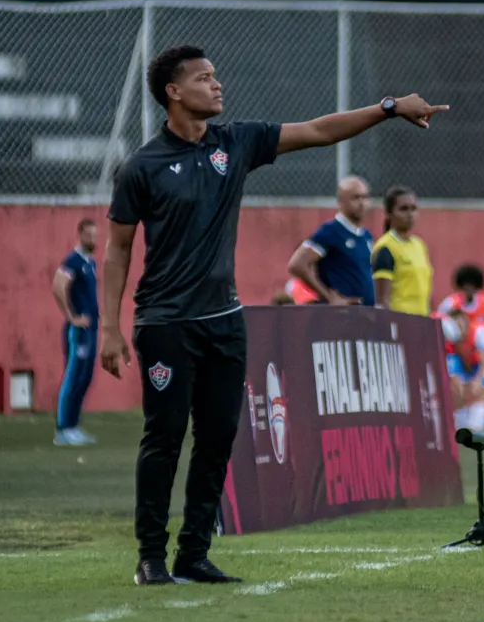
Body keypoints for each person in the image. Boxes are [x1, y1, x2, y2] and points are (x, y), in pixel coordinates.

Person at [100, 44, 447, 586]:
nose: (217, 85)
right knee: (164, 437)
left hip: (224, 320)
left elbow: (318, 130)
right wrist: (109, 328)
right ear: (173, 92)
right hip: (165, 324)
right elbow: (117, 250)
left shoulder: (236, 142)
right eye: (205, 78)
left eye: (216, 76)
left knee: (218, 438)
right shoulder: (142, 167)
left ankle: (193, 553)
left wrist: (388, 107)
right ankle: (150, 557)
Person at [286, 175, 375, 307]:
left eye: (365, 197)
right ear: (341, 201)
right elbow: (297, 264)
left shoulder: (366, 236)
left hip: (365, 314)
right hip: (342, 316)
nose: (362, 203)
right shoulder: (331, 231)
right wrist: (328, 296)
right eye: (355, 198)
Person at [51, 218, 99, 446]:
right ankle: (63, 429)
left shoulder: (91, 263)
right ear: (80, 235)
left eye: (96, 235)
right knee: (73, 376)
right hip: (78, 331)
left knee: (85, 377)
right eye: (89, 235)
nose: (93, 239)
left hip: (92, 329)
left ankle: (74, 425)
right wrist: (71, 317)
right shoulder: (73, 261)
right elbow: (58, 286)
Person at [371, 185, 434, 316]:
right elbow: (382, 301)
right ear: (389, 214)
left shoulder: (419, 245)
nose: (410, 214)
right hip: (401, 324)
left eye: (413, 208)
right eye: (403, 209)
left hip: (422, 321)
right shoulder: (386, 248)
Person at [441, 309, 484, 431]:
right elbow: (453, 369)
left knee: (477, 388)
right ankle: (460, 420)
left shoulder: (479, 332)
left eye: (461, 323)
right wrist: (458, 385)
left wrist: (478, 380)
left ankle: (479, 419)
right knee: (456, 388)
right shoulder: (449, 339)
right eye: (456, 325)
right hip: (465, 361)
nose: (459, 327)